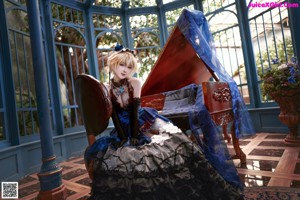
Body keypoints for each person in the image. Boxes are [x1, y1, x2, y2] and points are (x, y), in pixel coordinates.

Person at [85, 45, 244, 200]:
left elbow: (134, 112)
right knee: (123, 156)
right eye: (122, 64)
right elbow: (114, 115)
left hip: (141, 119)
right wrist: (123, 137)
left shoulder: (135, 83)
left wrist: (134, 136)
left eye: (129, 66)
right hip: (123, 126)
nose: (125, 69)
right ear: (113, 63)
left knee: (174, 141)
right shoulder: (106, 87)